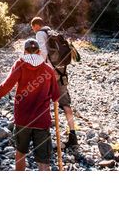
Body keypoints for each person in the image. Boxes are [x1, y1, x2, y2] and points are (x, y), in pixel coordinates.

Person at [0, 38, 59, 171]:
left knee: (21, 153)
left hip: (23, 120)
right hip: (42, 120)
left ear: (25, 51)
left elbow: (5, 88)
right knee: (43, 160)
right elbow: (56, 96)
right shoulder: (48, 70)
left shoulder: (20, 65)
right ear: (39, 52)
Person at [31, 16, 78, 148]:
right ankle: (73, 136)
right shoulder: (53, 33)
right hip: (62, 72)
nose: (34, 31)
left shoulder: (40, 34)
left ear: (35, 26)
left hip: (49, 73)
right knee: (65, 104)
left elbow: (43, 53)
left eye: (33, 28)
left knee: (42, 101)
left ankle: (41, 136)